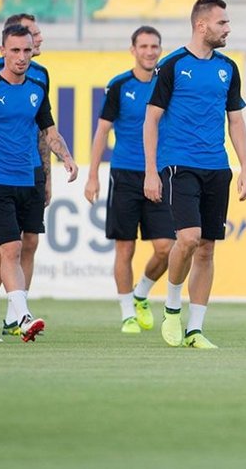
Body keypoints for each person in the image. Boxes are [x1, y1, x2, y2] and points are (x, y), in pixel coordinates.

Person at [143, 0, 246, 350]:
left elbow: (235, 121)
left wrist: (245, 168)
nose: (228, 28)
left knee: (206, 249)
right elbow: (151, 119)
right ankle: (172, 308)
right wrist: (150, 171)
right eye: (222, 23)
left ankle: (195, 329)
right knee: (188, 238)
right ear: (201, 25)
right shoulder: (172, 65)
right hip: (179, 164)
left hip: (217, 167)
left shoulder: (228, 68)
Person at [0, 24, 78, 342]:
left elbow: (48, 129)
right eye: (15, 50)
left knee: (1, 252)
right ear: (2, 51)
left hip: (28, 176)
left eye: (27, 50)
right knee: (11, 248)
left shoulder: (39, 82)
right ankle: (21, 316)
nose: (22, 57)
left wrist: (65, 157)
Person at [85, 26, 174, 334]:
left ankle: (141, 294)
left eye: (155, 46)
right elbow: (102, 132)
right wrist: (93, 175)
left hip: (159, 176)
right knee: (125, 249)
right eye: (144, 46)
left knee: (167, 248)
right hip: (124, 174)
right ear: (133, 50)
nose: (150, 51)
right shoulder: (120, 85)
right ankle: (127, 314)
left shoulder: (167, 83)